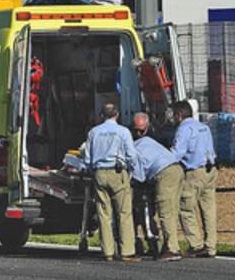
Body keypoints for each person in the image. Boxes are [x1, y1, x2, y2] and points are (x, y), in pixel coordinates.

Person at [82, 103, 139, 262]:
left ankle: (107, 251)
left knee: (104, 213)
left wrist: (92, 170)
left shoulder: (94, 132)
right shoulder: (123, 132)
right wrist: (131, 170)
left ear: (102, 115)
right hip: (117, 172)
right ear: (117, 115)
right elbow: (131, 155)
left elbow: (87, 158)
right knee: (124, 213)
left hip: (100, 172)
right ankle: (126, 250)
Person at [132, 112, 185, 261]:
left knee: (165, 212)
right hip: (177, 169)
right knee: (173, 211)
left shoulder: (133, 148)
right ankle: (171, 244)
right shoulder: (149, 140)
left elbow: (139, 176)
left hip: (164, 173)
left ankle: (172, 249)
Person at [172, 101, 219, 258]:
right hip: (211, 169)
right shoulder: (203, 127)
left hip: (194, 172)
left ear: (179, 115)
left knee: (185, 207)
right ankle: (211, 246)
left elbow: (177, 153)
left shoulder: (184, 129)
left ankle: (196, 244)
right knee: (209, 209)